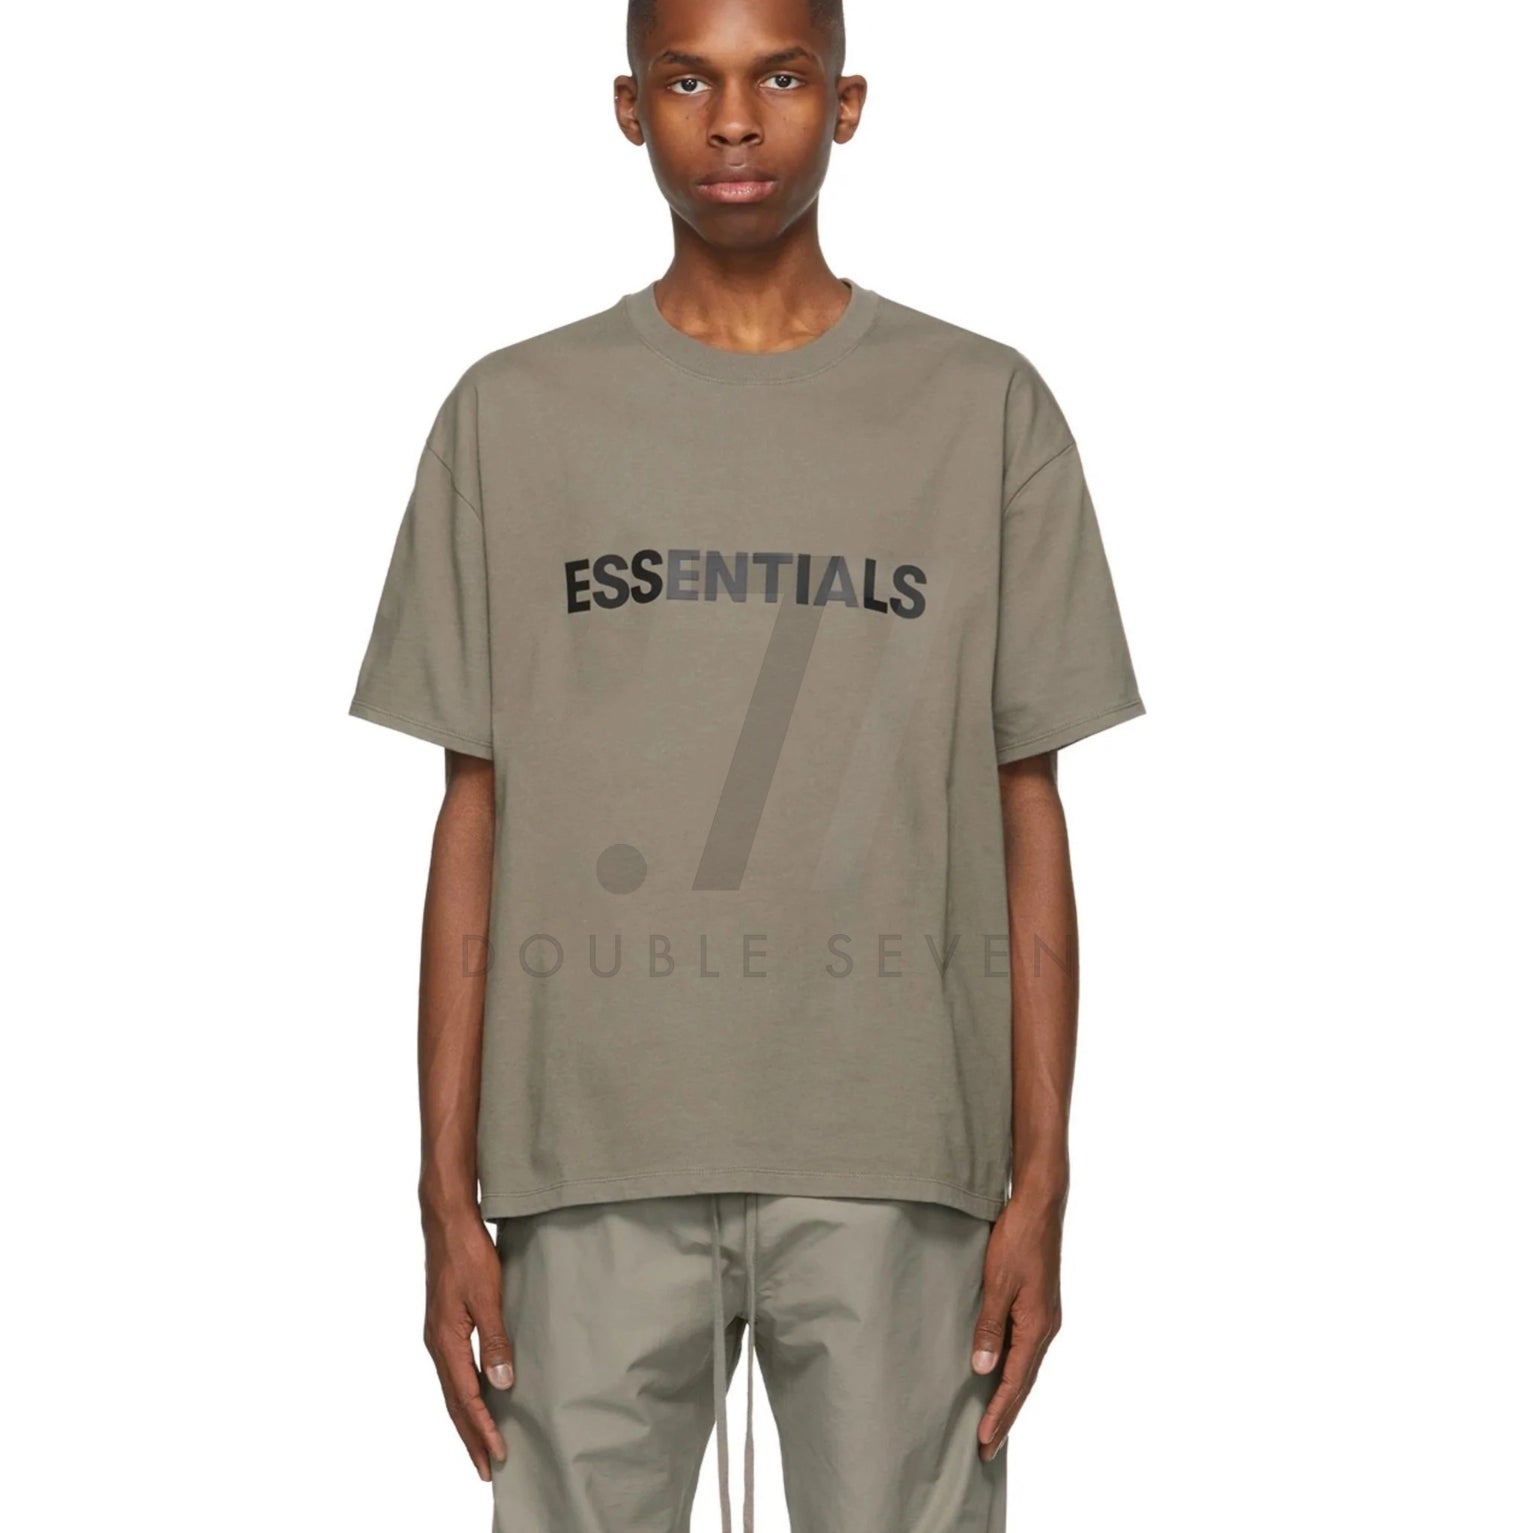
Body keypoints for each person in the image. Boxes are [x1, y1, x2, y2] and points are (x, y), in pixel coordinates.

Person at [347, 0, 1144, 1526]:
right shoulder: (512, 416)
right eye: (686, 79)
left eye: (778, 76)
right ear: (626, 105)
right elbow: (473, 811)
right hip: (587, 1153)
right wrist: (443, 1190)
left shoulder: (981, 409)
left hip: (897, 1152)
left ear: (844, 102)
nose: (731, 120)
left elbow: (1024, 803)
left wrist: (1041, 1178)